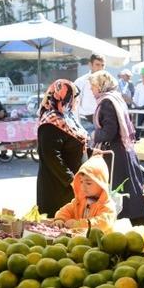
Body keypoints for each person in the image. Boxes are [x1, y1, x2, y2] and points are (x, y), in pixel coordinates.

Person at [89, 70, 144, 226]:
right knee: (130, 191)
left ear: (102, 86)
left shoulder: (107, 102)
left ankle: (133, 227)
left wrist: (94, 135)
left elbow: (109, 131)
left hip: (115, 155)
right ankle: (140, 225)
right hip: (123, 151)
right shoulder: (115, 98)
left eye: (93, 85)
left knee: (121, 193)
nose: (91, 89)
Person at [36, 79, 89, 215]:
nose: (76, 101)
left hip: (71, 184)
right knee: (59, 226)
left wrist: (91, 151)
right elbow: (51, 156)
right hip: (58, 187)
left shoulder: (66, 116)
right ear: (62, 97)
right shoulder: (50, 122)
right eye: (74, 98)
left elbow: (74, 143)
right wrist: (71, 180)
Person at [54, 154, 116, 233]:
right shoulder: (79, 201)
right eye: (81, 182)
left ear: (101, 184)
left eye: (88, 183)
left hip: (101, 242)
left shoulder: (107, 206)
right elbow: (67, 210)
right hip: (82, 241)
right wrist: (60, 218)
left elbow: (103, 223)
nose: (83, 187)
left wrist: (79, 224)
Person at [74, 53, 107, 127]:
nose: (100, 68)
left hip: (103, 120)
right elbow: (74, 103)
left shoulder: (108, 81)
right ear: (90, 65)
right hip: (86, 121)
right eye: (97, 65)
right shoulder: (81, 81)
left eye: (102, 65)